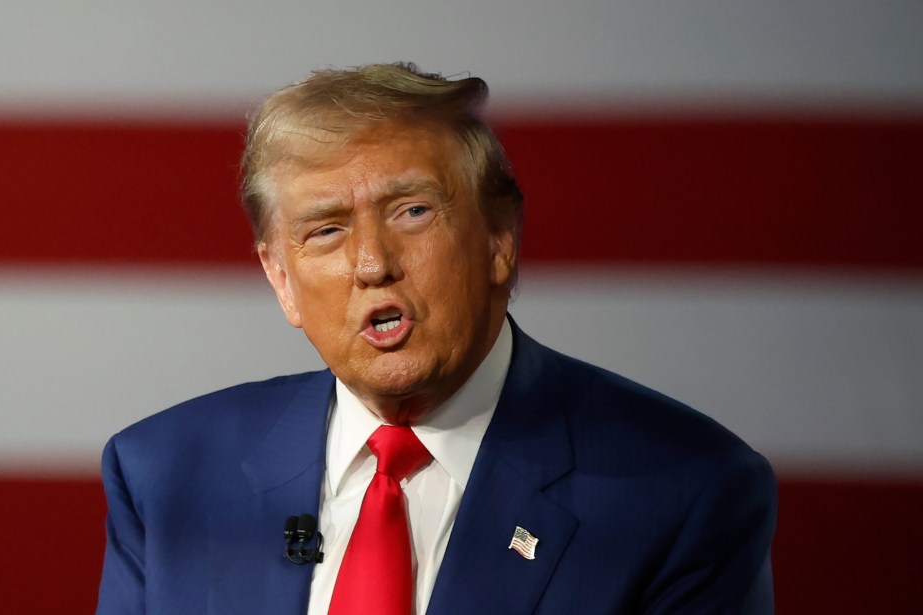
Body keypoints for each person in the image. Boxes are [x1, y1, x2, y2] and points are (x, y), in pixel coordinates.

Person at [96, 63, 777, 615]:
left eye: (413, 211)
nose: (372, 263)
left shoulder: (683, 490)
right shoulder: (165, 473)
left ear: (499, 240)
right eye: (326, 229)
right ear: (281, 278)